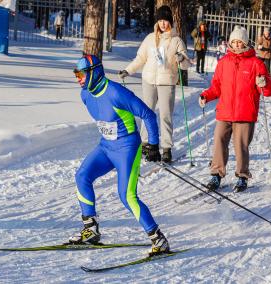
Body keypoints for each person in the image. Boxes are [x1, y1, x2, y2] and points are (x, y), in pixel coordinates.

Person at [70, 54, 170, 255]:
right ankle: (90, 230)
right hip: (106, 147)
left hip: (127, 150)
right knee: (82, 176)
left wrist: (153, 145)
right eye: (76, 74)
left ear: (94, 72)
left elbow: (148, 114)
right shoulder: (86, 95)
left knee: (127, 196)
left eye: (81, 74)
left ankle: (158, 239)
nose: (78, 79)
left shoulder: (116, 92)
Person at [198, 26, 271, 192]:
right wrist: (205, 95)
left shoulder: (256, 63)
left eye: (240, 42)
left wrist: (264, 83)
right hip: (224, 112)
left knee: (241, 146)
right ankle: (216, 174)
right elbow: (216, 87)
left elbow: (268, 91)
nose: (237, 45)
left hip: (245, 113)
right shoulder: (223, 63)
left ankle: (242, 176)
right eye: (234, 41)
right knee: (219, 141)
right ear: (230, 42)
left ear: (245, 43)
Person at [118, 5, 191, 163]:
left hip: (167, 82)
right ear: (157, 22)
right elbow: (140, 59)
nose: (163, 24)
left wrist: (181, 59)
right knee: (147, 112)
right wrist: (127, 70)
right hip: (149, 81)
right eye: (160, 20)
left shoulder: (176, 40)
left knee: (165, 115)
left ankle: (166, 148)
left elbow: (186, 65)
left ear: (170, 22)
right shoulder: (150, 39)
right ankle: (146, 142)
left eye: (166, 20)